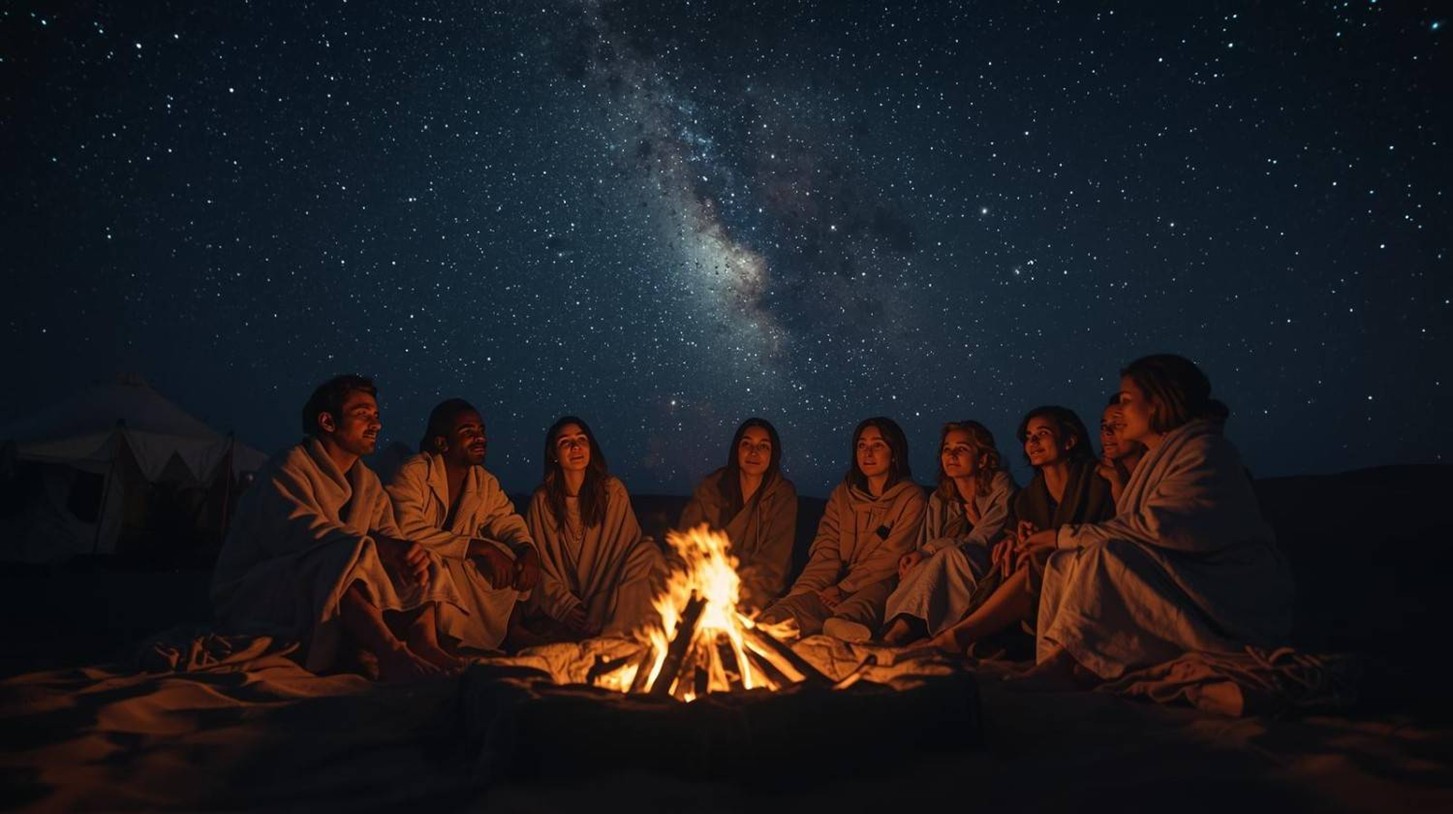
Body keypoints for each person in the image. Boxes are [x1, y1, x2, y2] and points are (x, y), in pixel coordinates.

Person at [1014, 354, 1294, 688]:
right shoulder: (1163, 455)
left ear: (1158, 403)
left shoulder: (1203, 451)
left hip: (1226, 591)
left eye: (1128, 400)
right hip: (1185, 574)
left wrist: (1061, 534)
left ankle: (1066, 662)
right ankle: (1061, 658)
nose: (1120, 410)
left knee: (1106, 556)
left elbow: (1162, 528)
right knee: (1065, 561)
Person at [212, 375, 464, 681]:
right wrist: (383, 548)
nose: (376, 425)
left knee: (420, 558)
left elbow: (388, 534)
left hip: (324, 577)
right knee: (338, 557)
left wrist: (405, 552)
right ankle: (391, 655)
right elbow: (303, 534)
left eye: (376, 416)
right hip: (259, 590)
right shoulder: (288, 468)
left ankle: (425, 645)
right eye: (362, 415)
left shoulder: (367, 482)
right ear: (328, 422)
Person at [920, 406, 1114, 653]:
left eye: (1041, 434)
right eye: (1028, 437)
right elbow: (1016, 529)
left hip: (1085, 571)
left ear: (1069, 440)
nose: (1032, 442)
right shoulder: (1030, 496)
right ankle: (968, 637)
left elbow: (1110, 528)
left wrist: (1041, 543)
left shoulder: (1096, 480)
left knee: (1032, 562)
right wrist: (1013, 540)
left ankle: (960, 635)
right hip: (1038, 570)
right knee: (1007, 559)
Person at [386, 399, 541, 654]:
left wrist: (527, 549)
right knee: (437, 561)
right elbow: (406, 528)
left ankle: (507, 631)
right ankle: (439, 640)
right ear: (442, 442)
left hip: (454, 565)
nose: (479, 438)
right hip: (415, 565)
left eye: (481, 431)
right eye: (468, 432)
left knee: (510, 555)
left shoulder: (484, 482)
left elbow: (507, 520)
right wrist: (479, 548)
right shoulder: (414, 473)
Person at [758, 417, 925, 640]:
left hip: (879, 581)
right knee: (787, 611)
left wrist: (845, 589)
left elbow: (891, 556)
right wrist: (802, 592)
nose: (868, 453)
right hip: (837, 581)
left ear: (894, 453)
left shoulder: (911, 498)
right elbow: (826, 549)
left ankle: (842, 630)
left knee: (859, 608)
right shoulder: (842, 495)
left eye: (877, 445)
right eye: (862, 446)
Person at [524, 416, 665, 639]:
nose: (576, 446)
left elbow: (623, 552)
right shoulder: (542, 501)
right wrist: (565, 605)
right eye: (565, 442)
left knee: (649, 552)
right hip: (568, 602)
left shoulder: (612, 491)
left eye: (582, 439)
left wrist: (600, 602)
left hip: (608, 598)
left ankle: (612, 626)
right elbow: (537, 562)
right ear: (554, 454)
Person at [880, 421, 1017, 646]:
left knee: (951, 555)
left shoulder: (1000, 485)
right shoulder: (939, 499)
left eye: (961, 449)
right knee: (924, 565)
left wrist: (930, 549)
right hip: (944, 566)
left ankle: (902, 632)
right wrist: (920, 555)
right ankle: (903, 627)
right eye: (946, 449)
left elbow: (983, 537)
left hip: (990, 567)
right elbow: (927, 544)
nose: (951, 455)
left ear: (982, 459)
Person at [678, 418, 798, 612]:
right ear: (737, 450)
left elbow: (775, 563)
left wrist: (738, 598)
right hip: (702, 584)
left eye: (763, 446)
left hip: (753, 594)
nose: (753, 452)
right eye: (746, 444)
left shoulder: (783, 495)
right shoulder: (712, 486)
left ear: (773, 454)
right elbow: (686, 541)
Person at [1097, 395, 1147, 503]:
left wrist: (1117, 483)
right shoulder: (1097, 478)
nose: (1107, 431)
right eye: (1103, 426)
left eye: (1118, 424)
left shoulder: (1159, 475)